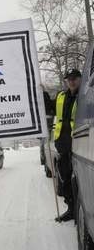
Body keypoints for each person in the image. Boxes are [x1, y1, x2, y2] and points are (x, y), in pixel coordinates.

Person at [53, 69, 82, 222]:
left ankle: (82, 212)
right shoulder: (61, 96)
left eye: (74, 78)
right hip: (63, 144)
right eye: (69, 79)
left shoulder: (85, 95)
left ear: (79, 79)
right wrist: (41, 95)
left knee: (79, 181)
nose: (71, 81)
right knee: (65, 180)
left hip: (80, 142)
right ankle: (71, 210)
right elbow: (50, 110)